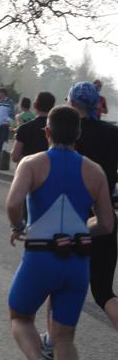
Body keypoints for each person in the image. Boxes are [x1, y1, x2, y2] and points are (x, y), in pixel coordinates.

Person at [6, 105, 113, 360]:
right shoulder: (95, 171)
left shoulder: (33, 163)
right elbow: (108, 224)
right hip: (76, 262)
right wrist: (81, 229)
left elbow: (13, 202)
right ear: (79, 134)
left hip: (40, 259)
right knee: (64, 338)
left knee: (20, 317)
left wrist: (18, 225)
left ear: (47, 132)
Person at [67, 82, 118, 332]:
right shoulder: (111, 133)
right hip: (105, 213)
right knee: (103, 291)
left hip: (75, 215)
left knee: (61, 286)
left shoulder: (69, 134)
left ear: (71, 103)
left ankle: (54, 343)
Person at [11, 92, 56, 164]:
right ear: (53, 107)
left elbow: (15, 156)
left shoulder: (24, 128)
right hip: (48, 170)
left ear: (35, 106)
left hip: (27, 170)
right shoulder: (57, 129)